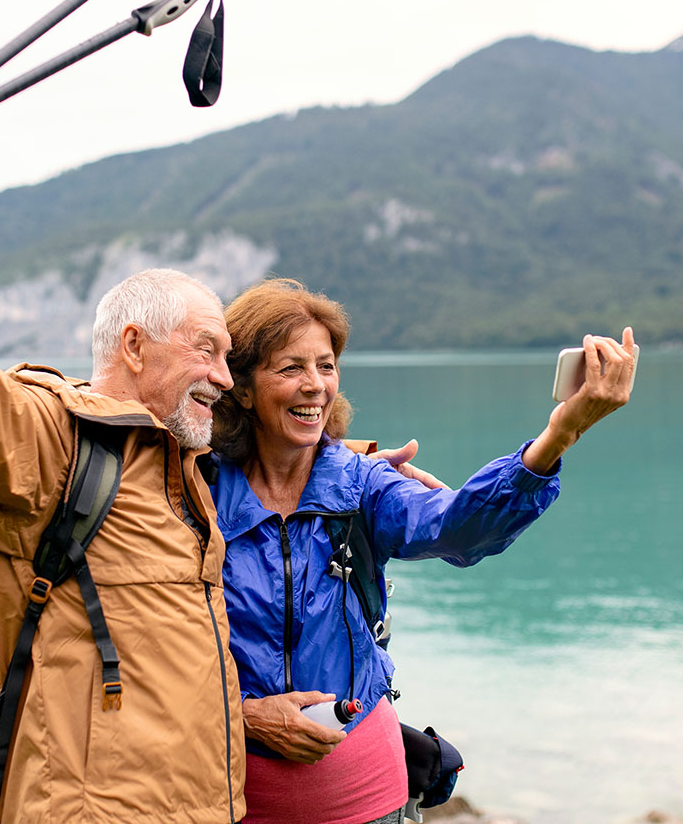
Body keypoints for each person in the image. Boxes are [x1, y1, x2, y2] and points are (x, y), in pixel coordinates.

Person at [0, 64, 246, 823]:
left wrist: (358, 468)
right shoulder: (53, 440)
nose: (225, 378)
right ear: (134, 346)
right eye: (208, 350)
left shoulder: (181, 464)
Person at [208, 279, 637, 824]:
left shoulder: (363, 485)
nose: (315, 386)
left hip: (369, 796)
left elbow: (456, 527)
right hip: (230, 798)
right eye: (291, 368)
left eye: (326, 366)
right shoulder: (195, 493)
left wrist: (558, 436)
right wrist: (244, 714)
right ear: (242, 388)